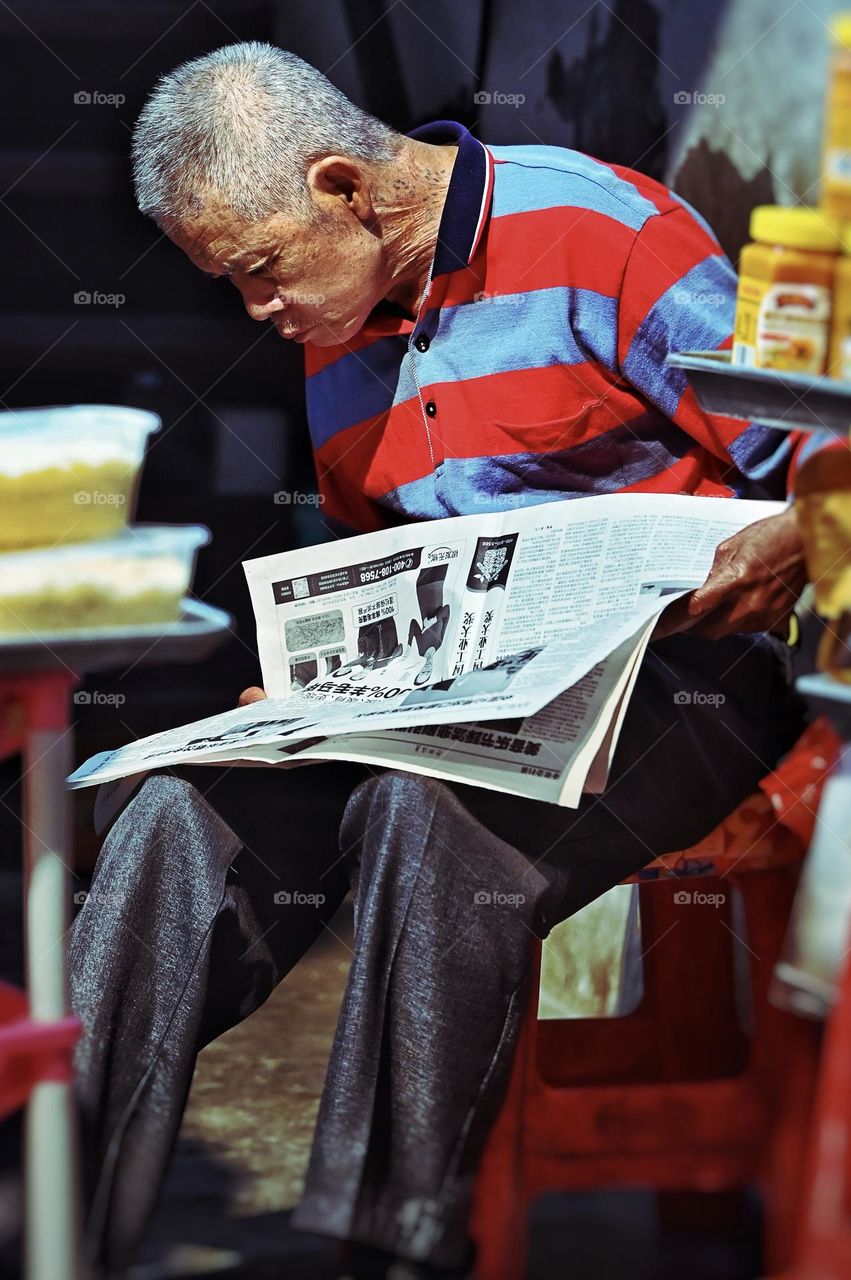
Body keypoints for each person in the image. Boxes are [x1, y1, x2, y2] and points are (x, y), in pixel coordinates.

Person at [69, 40, 836, 1280]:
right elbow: (378, 568)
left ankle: (389, 1247)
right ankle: (50, 1210)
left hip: (677, 686)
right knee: (167, 815)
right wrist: (307, 688)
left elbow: (811, 449)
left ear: (343, 186)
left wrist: (789, 533)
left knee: (420, 813)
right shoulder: (337, 318)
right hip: (446, 694)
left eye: (257, 272)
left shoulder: (604, 236)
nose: (254, 313)